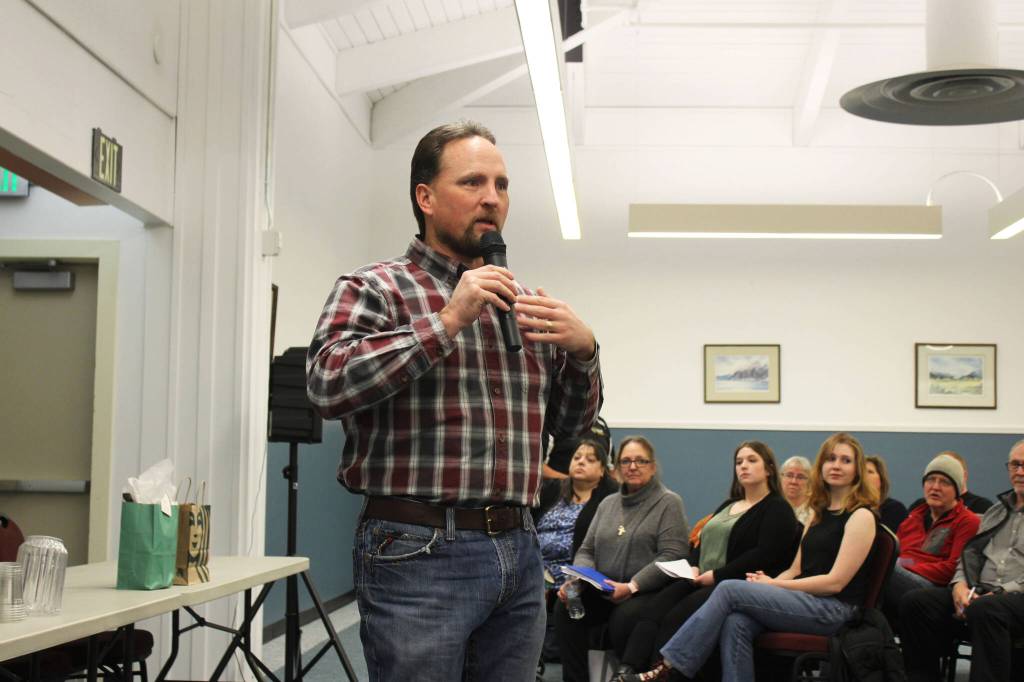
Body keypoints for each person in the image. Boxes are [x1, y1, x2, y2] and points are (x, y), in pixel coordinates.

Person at [305, 121, 603, 682]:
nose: (493, 198)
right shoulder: (375, 288)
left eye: (502, 184)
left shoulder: (520, 305)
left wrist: (585, 353)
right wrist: (446, 322)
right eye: (472, 182)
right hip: (416, 549)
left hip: (518, 547)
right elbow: (327, 383)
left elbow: (570, 426)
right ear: (425, 197)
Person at [621, 432, 879, 682]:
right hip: (805, 600)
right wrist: (766, 581)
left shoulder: (861, 516)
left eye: (846, 460)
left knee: (730, 589)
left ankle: (668, 669)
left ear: (857, 469)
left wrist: (775, 585)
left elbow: (835, 583)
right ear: (821, 466)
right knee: (737, 622)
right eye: (830, 459)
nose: (836, 465)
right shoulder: (817, 514)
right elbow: (795, 568)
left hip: (836, 610)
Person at [613, 441, 799, 680]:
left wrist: (717, 575)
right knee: (654, 608)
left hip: (734, 582)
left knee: (675, 617)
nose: (743, 466)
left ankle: (660, 673)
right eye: (739, 462)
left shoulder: (777, 508)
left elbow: (764, 554)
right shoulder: (729, 505)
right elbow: (702, 541)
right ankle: (627, 669)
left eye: (752, 461)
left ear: (769, 469)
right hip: (701, 576)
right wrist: (693, 564)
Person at [554, 437, 689, 681]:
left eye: (640, 461)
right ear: (616, 469)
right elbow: (586, 550)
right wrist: (582, 580)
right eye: (626, 461)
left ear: (653, 466)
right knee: (566, 607)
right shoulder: (607, 504)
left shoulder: (669, 502)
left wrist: (632, 586)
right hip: (603, 588)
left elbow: (673, 555)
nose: (633, 466)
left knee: (625, 618)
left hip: (644, 592)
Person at [899, 439, 1024, 682]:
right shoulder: (996, 512)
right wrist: (959, 586)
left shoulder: (969, 517)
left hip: (1015, 595)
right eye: (1015, 465)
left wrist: (1000, 591)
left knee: (985, 608)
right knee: (916, 602)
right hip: (981, 593)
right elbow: (970, 555)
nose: (1020, 472)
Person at [533, 439, 618, 663]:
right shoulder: (553, 491)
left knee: (571, 603)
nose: (581, 462)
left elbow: (595, 550)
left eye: (590, 460)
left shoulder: (607, 502)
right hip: (537, 571)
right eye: (577, 457)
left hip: (575, 579)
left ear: (602, 471)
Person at [884, 454, 979, 620]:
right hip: (900, 579)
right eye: (930, 480)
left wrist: (906, 569)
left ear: (957, 489)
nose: (935, 487)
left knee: (881, 568)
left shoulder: (967, 521)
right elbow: (897, 554)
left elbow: (954, 568)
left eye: (944, 482)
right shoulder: (913, 518)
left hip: (934, 587)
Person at [909, 450, 994, 515]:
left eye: (945, 480)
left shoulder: (981, 506)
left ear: (963, 475)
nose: (936, 487)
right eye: (932, 479)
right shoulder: (920, 506)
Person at [865, 455, 908, 532]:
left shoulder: (894, 508)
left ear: (881, 480)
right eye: (861, 472)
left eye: (869, 472)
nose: (864, 476)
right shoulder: (847, 508)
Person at [780, 455, 812, 525]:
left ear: (809, 482)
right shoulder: (771, 507)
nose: (793, 481)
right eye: (789, 475)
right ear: (781, 478)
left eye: (800, 477)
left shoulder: (815, 512)